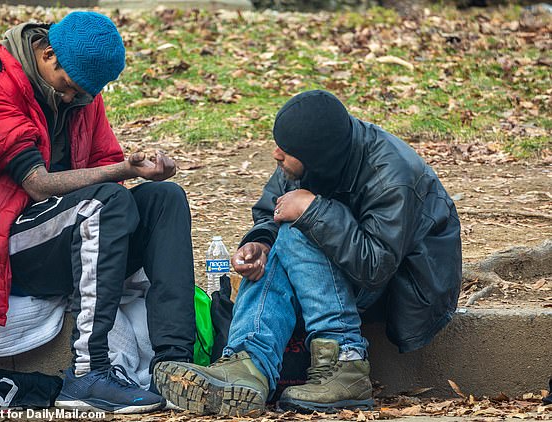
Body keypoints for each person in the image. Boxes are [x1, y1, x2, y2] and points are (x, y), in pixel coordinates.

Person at [0, 11, 196, 414]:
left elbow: (106, 165)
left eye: (83, 94)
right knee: (106, 202)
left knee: (164, 198)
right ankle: (88, 372)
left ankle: (174, 364)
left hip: (63, 230)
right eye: (68, 88)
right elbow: (36, 183)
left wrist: (144, 172)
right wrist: (123, 170)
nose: (72, 99)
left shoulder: (82, 91)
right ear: (47, 54)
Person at [153, 90, 462, 415]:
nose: (276, 155)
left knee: (298, 228)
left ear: (317, 157)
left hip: (403, 289)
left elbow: (376, 266)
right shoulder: (309, 156)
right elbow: (271, 214)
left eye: (286, 152)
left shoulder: (392, 176)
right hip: (337, 274)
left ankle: (346, 364)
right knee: (280, 242)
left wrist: (313, 211)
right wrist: (259, 244)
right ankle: (248, 365)